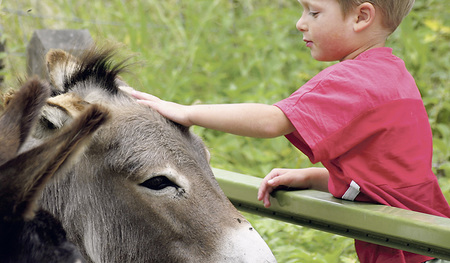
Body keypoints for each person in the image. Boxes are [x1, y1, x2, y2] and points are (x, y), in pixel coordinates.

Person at [132, 0, 450, 262]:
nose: (301, 23)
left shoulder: (355, 79)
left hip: (409, 251)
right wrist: (314, 178)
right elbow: (394, 181)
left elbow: (272, 120)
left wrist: (186, 112)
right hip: (430, 246)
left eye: (313, 12)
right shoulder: (393, 74)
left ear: (361, 16)